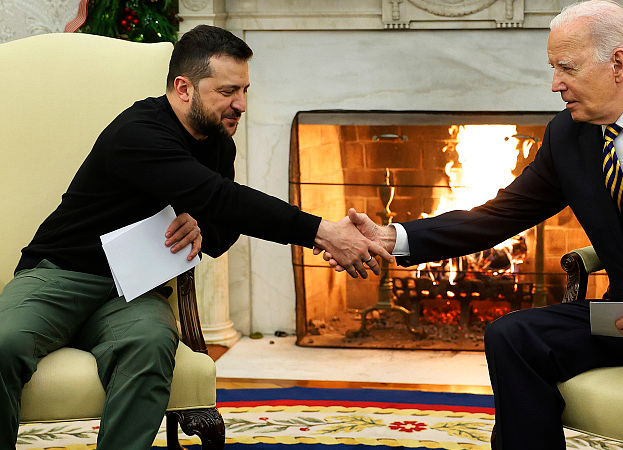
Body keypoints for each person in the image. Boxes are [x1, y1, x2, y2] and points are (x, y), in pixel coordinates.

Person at [322, 1, 623, 449]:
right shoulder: (568, 136)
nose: (555, 83)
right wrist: (395, 237)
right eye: (554, 68)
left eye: (566, 68)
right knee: (511, 335)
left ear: (618, 63)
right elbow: (498, 216)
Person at [0, 25, 390, 449]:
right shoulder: (139, 132)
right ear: (183, 88)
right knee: (3, 342)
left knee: (150, 345)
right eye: (227, 91)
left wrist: (202, 228)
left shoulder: (218, 142)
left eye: (244, 89)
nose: (240, 104)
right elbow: (219, 196)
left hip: (132, 291)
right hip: (60, 274)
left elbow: (222, 230)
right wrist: (323, 232)